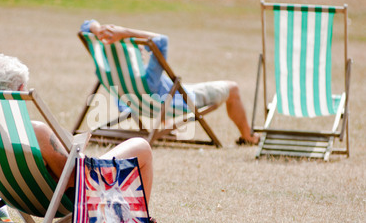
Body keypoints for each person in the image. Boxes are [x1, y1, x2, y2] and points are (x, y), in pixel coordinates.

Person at [0, 53, 171, 223]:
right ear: (21, 90)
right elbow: (73, 179)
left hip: (19, 197)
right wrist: (74, 152)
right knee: (141, 147)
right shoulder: (35, 131)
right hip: (62, 198)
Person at [80, 20, 260, 145]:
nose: (141, 50)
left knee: (166, 91)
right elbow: (160, 40)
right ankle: (248, 137)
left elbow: (86, 25)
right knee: (233, 88)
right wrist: (126, 33)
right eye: (139, 48)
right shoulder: (148, 79)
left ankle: (166, 127)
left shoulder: (110, 73)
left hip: (134, 104)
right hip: (175, 101)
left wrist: (97, 30)